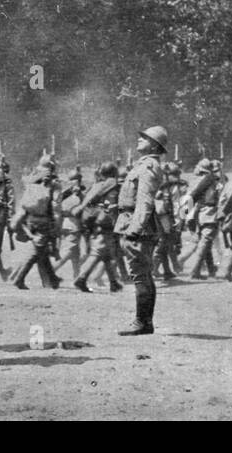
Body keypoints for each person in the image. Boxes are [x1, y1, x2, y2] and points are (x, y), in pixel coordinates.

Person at [115, 126, 168, 336]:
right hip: (133, 222)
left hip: (139, 228)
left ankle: (142, 322)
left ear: (154, 145)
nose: (139, 139)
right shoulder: (144, 165)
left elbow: (145, 201)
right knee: (142, 274)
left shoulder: (148, 166)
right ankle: (144, 321)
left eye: (144, 138)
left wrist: (135, 229)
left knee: (140, 275)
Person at [9, 154, 61, 289]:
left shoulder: (31, 180)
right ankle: (18, 278)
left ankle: (51, 280)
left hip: (30, 219)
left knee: (41, 250)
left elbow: (24, 203)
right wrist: (57, 225)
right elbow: (55, 207)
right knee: (35, 252)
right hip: (44, 221)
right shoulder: (53, 184)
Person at [72, 162, 124, 292]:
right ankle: (81, 279)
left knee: (107, 255)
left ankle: (113, 283)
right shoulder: (113, 186)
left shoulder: (97, 186)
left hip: (93, 223)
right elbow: (112, 207)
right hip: (104, 224)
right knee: (98, 253)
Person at [181, 158, 221, 279]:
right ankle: (194, 270)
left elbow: (192, 197)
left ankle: (211, 269)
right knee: (204, 243)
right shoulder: (210, 180)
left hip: (198, 214)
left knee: (204, 243)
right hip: (209, 214)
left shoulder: (197, 181)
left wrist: (183, 215)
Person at [52, 167, 86, 280]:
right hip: (73, 225)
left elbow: (57, 206)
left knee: (75, 254)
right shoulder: (78, 194)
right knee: (68, 253)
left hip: (65, 224)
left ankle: (77, 277)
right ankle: (50, 272)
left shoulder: (64, 193)